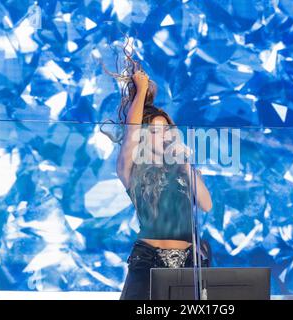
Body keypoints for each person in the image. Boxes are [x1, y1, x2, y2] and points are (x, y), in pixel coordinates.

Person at [100, 38, 213, 300]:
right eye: (154, 131)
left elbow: (206, 204)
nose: (162, 136)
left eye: (166, 130)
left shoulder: (181, 169)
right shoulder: (131, 170)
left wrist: (185, 164)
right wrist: (140, 92)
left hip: (187, 264)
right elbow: (129, 137)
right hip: (148, 263)